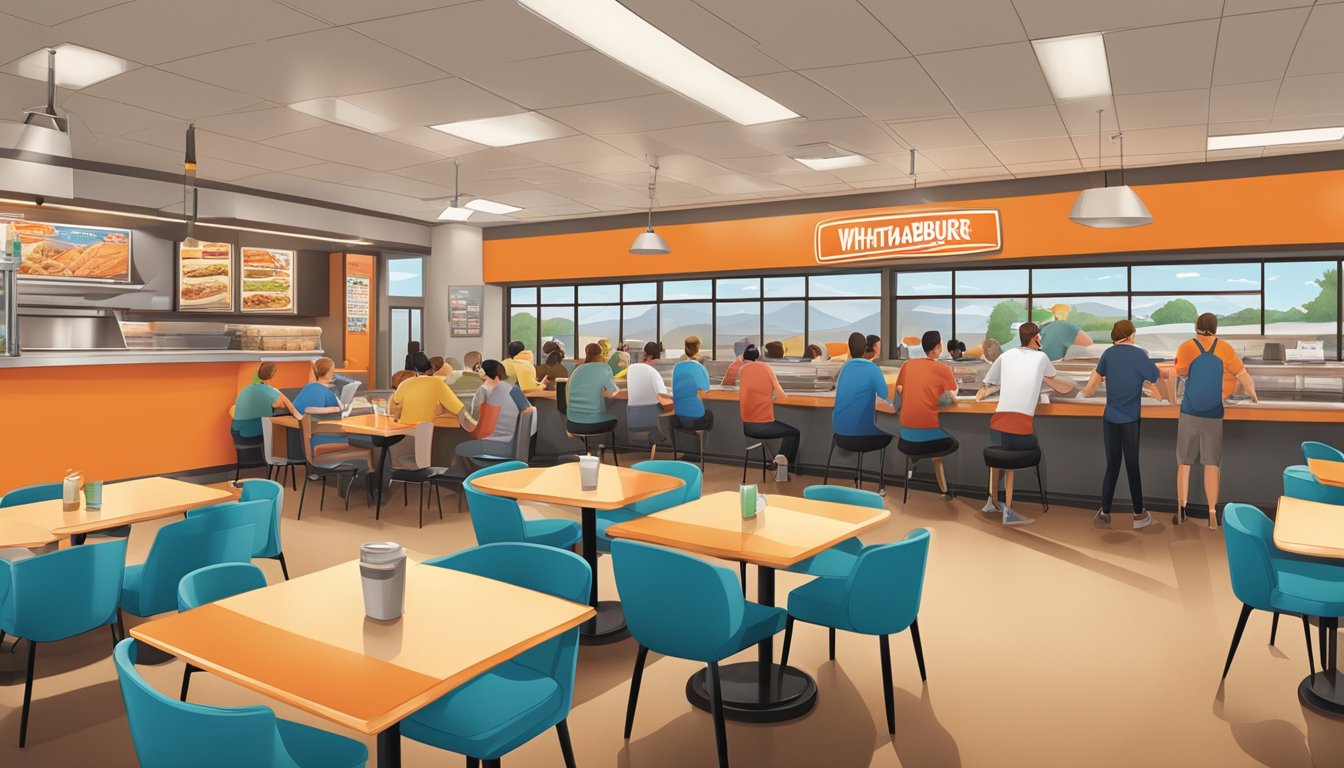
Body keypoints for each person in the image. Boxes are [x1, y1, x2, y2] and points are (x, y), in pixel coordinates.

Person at [975, 322, 1075, 526]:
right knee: (1010, 464)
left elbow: (987, 386)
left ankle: (991, 501)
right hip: (1020, 421)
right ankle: (1008, 512)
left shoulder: (1006, 355)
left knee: (998, 458)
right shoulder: (1042, 357)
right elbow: (1059, 385)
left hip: (998, 418)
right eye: (1040, 336)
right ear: (1035, 338)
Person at [1173, 312, 1258, 529]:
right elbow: (1243, 375)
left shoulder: (1186, 347)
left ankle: (1181, 511)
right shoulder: (1224, 348)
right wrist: (1254, 396)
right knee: (1211, 463)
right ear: (1216, 328)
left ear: (1196, 327)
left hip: (1189, 412)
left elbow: (1180, 373)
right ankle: (1212, 514)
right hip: (1214, 413)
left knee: (1184, 462)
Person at [1081, 320, 1162, 530]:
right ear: (1131, 335)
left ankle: (1105, 512)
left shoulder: (1108, 354)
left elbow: (1090, 389)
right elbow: (1155, 376)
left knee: (1112, 465)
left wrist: (1087, 384)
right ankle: (1138, 515)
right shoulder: (1139, 354)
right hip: (1130, 420)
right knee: (1132, 466)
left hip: (1110, 418)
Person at [894, 331, 959, 495]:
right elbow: (953, 397)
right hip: (927, 438)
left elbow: (899, 394)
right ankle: (945, 489)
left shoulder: (907, 365)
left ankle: (916, 465)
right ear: (939, 347)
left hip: (905, 437)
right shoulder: (943, 369)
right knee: (954, 442)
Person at [292, 357, 372, 463]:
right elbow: (339, 414)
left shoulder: (307, 387)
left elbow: (297, 407)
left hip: (303, 440)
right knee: (366, 438)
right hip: (326, 436)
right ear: (330, 371)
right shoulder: (327, 392)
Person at [832, 331, 894, 464]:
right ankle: (881, 483)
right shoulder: (873, 369)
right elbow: (884, 395)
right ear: (866, 348)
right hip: (865, 435)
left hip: (839, 433)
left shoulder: (844, 368)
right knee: (891, 431)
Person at [739, 344, 798, 475]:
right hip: (763, 424)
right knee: (794, 433)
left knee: (790, 433)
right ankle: (786, 469)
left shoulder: (743, 370)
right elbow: (782, 394)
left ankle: (778, 464)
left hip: (747, 426)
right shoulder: (766, 368)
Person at [456, 359, 524, 464]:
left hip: (493, 443)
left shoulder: (484, 390)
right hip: (515, 441)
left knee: (458, 444)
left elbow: (477, 417)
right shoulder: (511, 389)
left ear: (482, 373)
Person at [390, 357, 477, 433]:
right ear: (432, 370)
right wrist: (477, 429)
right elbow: (460, 411)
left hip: (403, 430)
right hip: (423, 431)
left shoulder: (404, 384)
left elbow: (394, 407)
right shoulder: (437, 383)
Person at [231, 361, 300, 439]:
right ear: (271, 376)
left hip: (235, 429)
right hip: (250, 432)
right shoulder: (271, 391)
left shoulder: (246, 389)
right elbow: (287, 407)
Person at [566, 342, 619, 437]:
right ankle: (599, 448)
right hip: (595, 423)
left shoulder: (577, 369)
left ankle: (590, 449)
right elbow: (612, 391)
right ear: (601, 353)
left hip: (572, 423)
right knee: (614, 419)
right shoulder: (604, 368)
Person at [672, 348, 713, 432]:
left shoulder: (677, 370)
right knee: (709, 414)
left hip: (678, 417)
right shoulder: (699, 370)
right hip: (697, 419)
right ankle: (706, 443)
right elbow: (706, 390)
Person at [626, 341, 669, 407]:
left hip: (644, 404)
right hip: (662, 400)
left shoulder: (639, 367)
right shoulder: (666, 366)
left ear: (645, 353)